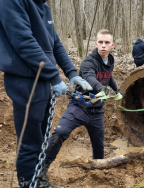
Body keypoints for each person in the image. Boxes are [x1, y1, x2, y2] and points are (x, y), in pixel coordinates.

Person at [0, 0, 92, 187]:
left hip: (42, 78)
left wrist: (72, 73)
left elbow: (55, 43)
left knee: (41, 136)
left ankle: (39, 179)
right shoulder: (12, 2)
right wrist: (54, 76)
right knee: (30, 138)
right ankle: (28, 181)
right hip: (24, 79)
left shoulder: (43, 6)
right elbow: (23, 41)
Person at [43, 29, 123, 186]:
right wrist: (100, 87)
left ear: (112, 45)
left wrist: (117, 89)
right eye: (100, 42)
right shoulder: (89, 62)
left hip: (97, 112)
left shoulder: (110, 60)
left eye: (107, 43)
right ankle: (41, 170)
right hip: (79, 107)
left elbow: (109, 75)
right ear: (96, 43)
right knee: (60, 132)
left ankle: (97, 174)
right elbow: (89, 77)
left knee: (99, 149)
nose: (103, 46)